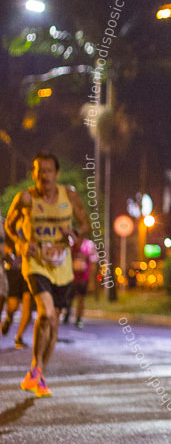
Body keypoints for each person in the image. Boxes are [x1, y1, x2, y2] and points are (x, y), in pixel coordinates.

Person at [4, 153, 89, 397]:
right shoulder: (26, 198)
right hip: (36, 263)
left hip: (62, 266)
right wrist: (21, 243)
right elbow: (9, 225)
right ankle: (35, 369)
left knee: (53, 322)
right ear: (34, 174)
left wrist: (74, 234)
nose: (45, 175)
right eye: (40, 170)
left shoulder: (69, 195)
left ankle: (38, 371)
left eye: (49, 170)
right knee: (47, 311)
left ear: (57, 174)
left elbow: (84, 225)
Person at [66, 236, 97, 328]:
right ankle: (67, 313)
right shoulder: (71, 244)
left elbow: (93, 263)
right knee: (68, 297)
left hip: (83, 277)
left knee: (81, 298)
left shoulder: (89, 245)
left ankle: (79, 318)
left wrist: (91, 280)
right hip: (71, 276)